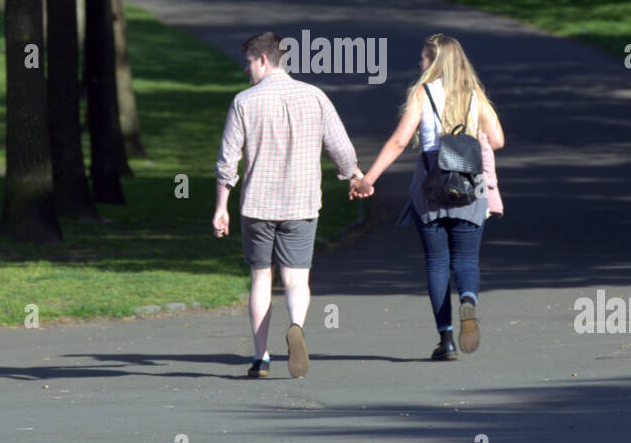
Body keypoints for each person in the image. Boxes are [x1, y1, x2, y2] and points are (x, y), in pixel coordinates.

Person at [214, 31, 366, 378]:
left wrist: (221, 206)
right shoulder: (314, 96)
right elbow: (341, 147)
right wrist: (353, 176)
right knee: (297, 279)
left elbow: (227, 161)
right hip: (302, 203)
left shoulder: (244, 102)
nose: (247, 70)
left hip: (258, 205)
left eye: (249, 63)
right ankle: (296, 325)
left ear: (263, 60)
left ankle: (260, 356)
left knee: (260, 278)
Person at [351, 34, 504, 360]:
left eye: (424, 57)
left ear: (435, 61)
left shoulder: (422, 93)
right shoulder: (474, 94)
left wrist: (368, 179)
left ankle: (446, 340)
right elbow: (498, 139)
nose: (420, 63)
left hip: (431, 184)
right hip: (470, 183)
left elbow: (398, 142)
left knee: (437, 262)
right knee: (465, 260)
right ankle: (468, 301)